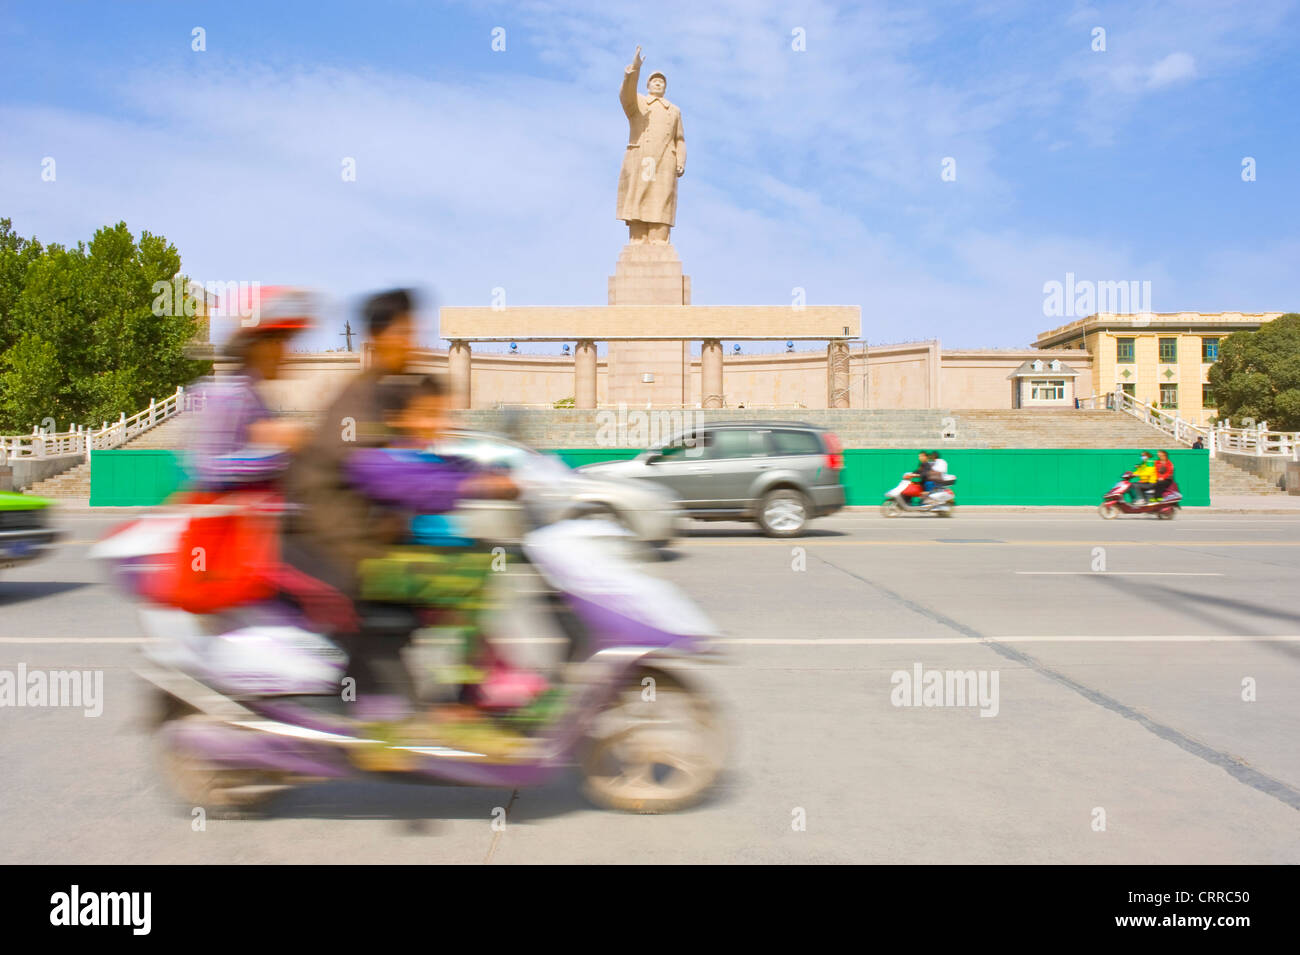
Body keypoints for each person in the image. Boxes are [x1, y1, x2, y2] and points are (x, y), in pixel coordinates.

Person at [189, 286, 315, 489]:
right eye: (277, 341)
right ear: (254, 345)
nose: (285, 352)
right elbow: (209, 466)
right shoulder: (229, 395)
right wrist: (282, 451)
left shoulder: (251, 394)